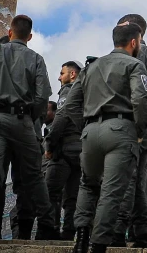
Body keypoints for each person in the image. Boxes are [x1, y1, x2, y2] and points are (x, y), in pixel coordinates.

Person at [0, 15, 59, 243]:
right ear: (29, 36)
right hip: (24, 122)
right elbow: (42, 96)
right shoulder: (36, 59)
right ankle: (47, 227)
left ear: (9, 32)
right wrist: (31, 118)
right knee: (34, 178)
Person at [68, 22, 147, 253]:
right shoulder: (135, 65)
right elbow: (140, 101)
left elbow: (70, 106)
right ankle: (99, 245)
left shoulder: (90, 67)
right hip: (121, 130)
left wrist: (85, 127)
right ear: (135, 42)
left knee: (87, 185)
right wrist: (140, 132)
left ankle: (81, 239)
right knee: (112, 191)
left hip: (90, 131)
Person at [112, 14, 147, 248]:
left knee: (128, 180)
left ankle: (118, 229)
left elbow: (138, 95)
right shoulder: (146, 54)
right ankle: (143, 232)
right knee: (137, 181)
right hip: (142, 125)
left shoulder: (140, 52)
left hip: (136, 125)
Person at [45, 60, 84, 239]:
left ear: (72, 74)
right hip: (81, 149)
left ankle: (49, 232)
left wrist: (50, 144)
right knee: (72, 196)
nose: (59, 77)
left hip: (64, 149)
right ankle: (69, 232)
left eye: (62, 73)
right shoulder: (87, 92)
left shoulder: (68, 91)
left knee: (50, 192)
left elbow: (60, 118)